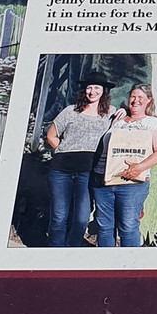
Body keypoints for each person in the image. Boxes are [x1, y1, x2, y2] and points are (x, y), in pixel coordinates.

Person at [91, 85, 157, 247]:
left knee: (128, 226)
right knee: (104, 227)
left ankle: (130, 267)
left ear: (149, 100)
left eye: (141, 97)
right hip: (103, 180)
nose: (136, 100)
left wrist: (138, 168)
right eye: (133, 96)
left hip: (133, 183)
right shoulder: (117, 120)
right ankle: (107, 267)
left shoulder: (153, 123)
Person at [45, 81, 114, 247]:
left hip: (87, 172)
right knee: (59, 216)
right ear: (84, 90)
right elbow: (51, 135)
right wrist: (63, 150)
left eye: (97, 88)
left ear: (104, 91)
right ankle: (55, 251)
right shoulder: (71, 111)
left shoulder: (110, 113)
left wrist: (122, 111)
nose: (92, 91)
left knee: (82, 217)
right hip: (61, 171)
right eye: (89, 87)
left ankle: (72, 248)